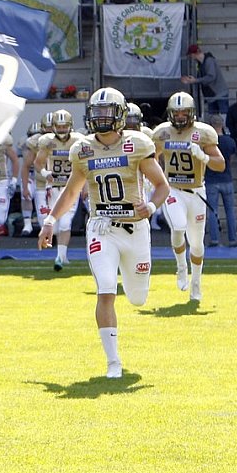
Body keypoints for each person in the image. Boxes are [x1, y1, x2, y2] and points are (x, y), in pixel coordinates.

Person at [39, 87, 167, 378]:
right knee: (106, 289)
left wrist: (151, 206)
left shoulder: (138, 144)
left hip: (135, 228)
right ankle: (113, 362)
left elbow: (162, 186)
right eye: (97, 112)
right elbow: (72, 190)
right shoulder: (82, 148)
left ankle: (117, 353)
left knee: (137, 298)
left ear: (120, 114)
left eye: (107, 111)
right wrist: (50, 220)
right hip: (101, 227)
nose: (101, 117)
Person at [151, 93, 225, 302]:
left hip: (196, 192)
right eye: (177, 112)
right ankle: (181, 267)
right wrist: (152, 179)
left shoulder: (203, 133)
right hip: (173, 190)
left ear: (192, 113)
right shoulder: (162, 133)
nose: (181, 116)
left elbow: (220, 164)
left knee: (197, 244)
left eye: (184, 112)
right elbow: (150, 159)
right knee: (178, 226)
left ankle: (196, 284)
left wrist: (203, 156)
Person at [31, 109, 82, 270]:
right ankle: (61, 254)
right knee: (56, 225)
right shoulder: (47, 141)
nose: (61, 130)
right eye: (58, 127)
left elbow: (85, 164)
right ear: (53, 126)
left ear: (70, 125)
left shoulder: (78, 140)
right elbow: (38, 163)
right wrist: (46, 173)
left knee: (66, 223)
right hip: (52, 187)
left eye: (64, 126)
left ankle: (61, 257)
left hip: (71, 186)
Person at [203, 116, 237, 247]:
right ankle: (233, 239)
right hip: (226, 178)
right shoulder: (230, 141)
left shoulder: (207, 143)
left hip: (211, 179)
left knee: (213, 211)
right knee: (230, 211)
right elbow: (232, 158)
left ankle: (214, 239)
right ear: (222, 125)